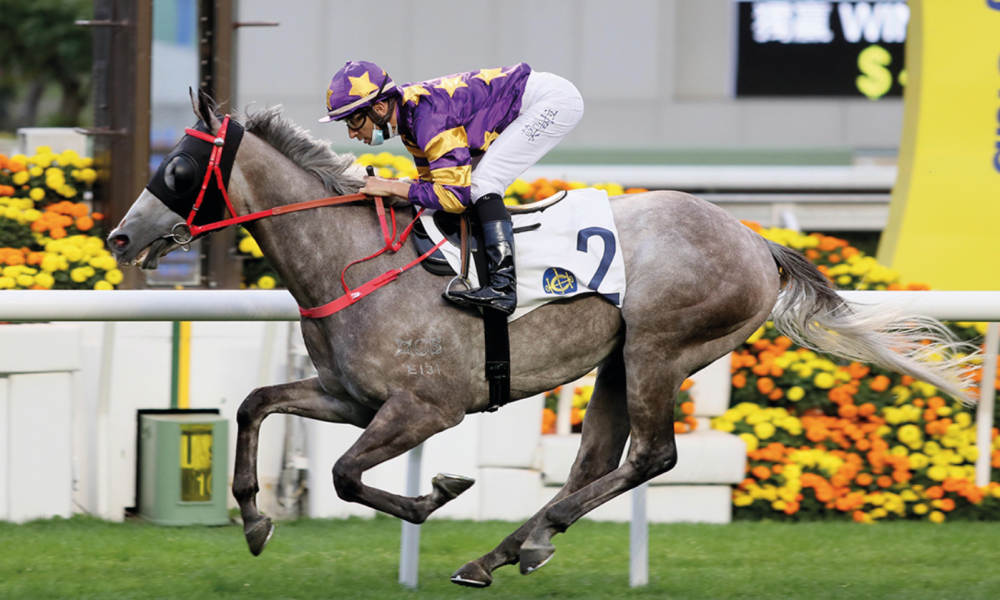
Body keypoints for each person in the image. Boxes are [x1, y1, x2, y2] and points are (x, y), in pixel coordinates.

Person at [320, 61, 584, 316]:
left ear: (379, 108)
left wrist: (392, 186)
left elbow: (454, 198)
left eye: (353, 121)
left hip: (551, 102)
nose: (352, 133)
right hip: (530, 100)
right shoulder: (410, 122)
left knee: (483, 184)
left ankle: (503, 287)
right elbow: (432, 186)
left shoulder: (428, 120)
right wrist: (396, 189)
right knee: (475, 184)